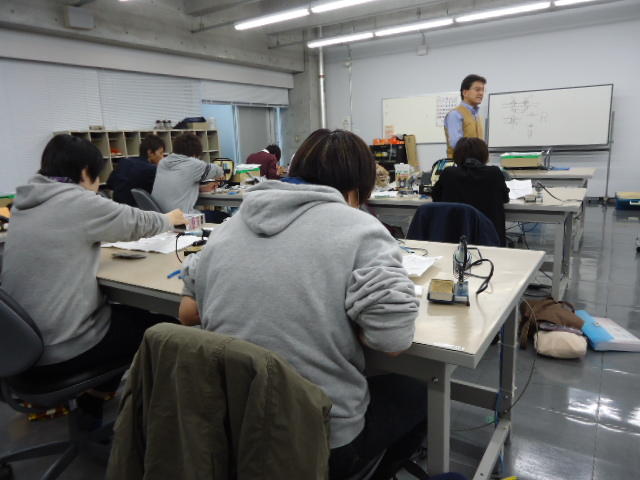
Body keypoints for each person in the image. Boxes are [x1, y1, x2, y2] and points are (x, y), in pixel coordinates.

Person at [178, 129, 427, 480]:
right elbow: (393, 341)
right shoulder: (361, 228)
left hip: (233, 427)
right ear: (358, 188)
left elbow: (187, 312)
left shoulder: (230, 226)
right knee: (418, 392)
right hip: (318, 440)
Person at [0, 134, 187, 428]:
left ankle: (93, 402)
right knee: (166, 328)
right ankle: (161, 421)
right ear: (86, 172)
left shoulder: (25, 203)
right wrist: (170, 218)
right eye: (97, 176)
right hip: (61, 349)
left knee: (123, 317)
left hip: (17, 351)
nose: (98, 184)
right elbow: (136, 222)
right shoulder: (75, 201)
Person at [431, 137, 510, 245]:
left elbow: (436, 198)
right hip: (489, 240)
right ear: (484, 155)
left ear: (457, 155)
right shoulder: (494, 173)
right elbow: (505, 199)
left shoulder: (449, 173)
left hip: (454, 240)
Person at [152, 133, 225, 222]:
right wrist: (220, 176)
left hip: (160, 218)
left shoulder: (162, 163)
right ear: (194, 154)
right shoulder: (193, 164)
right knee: (224, 216)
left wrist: (200, 188)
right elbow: (218, 171)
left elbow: (176, 186)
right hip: (182, 219)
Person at [107, 134, 165, 206]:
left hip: (117, 206)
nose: (162, 157)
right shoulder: (152, 169)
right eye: (161, 153)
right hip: (137, 208)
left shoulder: (125, 161)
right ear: (150, 152)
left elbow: (110, 183)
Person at [444, 74, 487, 158]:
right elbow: (456, 144)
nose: (481, 93)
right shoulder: (455, 114)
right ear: (465, 93)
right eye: (477, 90)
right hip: (461, 163)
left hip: (477, 162)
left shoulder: (476, 115)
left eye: (483, 90)